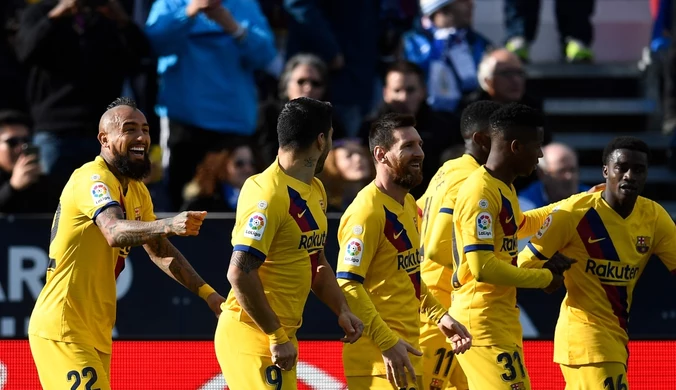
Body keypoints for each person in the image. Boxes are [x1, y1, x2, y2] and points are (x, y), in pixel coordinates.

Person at [28, 97, 225, 390]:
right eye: (129, 129)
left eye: (145, 130)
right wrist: (169, 224)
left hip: (95, 329)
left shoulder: (137, 191)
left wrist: (209, 295)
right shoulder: (91, 179)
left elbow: (158, 248)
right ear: (104, 139)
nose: (141, 137)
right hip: (64, 326)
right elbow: (113, 231)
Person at [217, 97, 364, 389]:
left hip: (282, 337)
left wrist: (342, 309)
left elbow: (316, 263)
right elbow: (239, 272)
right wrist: (276, 336)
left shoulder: (315, 189)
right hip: (253, 334)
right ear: (321, 141)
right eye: (332, 137)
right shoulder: (268, 194)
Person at [518, 136, 676, 390]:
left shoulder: (654, 216)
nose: (629, 175)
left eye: (638, 170)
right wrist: (548, 273)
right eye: (621, 167)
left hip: (616, 338)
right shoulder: (574, 213)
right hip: (585, 338)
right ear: (605, 171)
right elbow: (523, 265)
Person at [336, 112, 472, 389]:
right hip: (378, 361)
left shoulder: (408, 204)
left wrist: (440, 316)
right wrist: (387, 343)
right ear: (381, 154)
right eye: (408, 146)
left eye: (419, 144)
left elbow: (408, 277)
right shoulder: (366, 212)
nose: (419, 153)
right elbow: (348, 284)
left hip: (407, 353)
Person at [450, 103, 573, 390]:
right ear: (516, 147)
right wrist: (543, 277)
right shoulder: (480, 193)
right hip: (479, 321)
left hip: (499, 317)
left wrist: (576, 204)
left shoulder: (503, 186)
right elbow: (482, 268)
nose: (541, 155)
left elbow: (519, 225)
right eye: (537, 146)